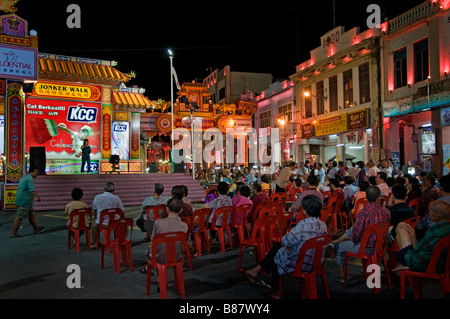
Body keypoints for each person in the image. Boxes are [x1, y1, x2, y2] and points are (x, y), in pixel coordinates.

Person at [241, 195, 328, 299]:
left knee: (278, 252)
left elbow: (284, 242)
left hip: (301, 263)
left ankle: (275, 291)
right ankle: (257, 270)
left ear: (304, 210)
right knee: (278, 249)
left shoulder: (302, 226)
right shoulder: (322, 225)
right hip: (316, 261)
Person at [331, 186, 391, 282]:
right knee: (353, 229)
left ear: (366, 198)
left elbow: (356, 234)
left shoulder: (363, 213)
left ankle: (342, 275)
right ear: (378, 197)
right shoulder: (386, 212)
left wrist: (353, 238)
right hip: (380, 246)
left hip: (365, 247)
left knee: (340, 247)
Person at [393, 200, 450, 273]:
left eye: (430, 211)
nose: (429, 214)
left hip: (425, 263)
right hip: (442, 264)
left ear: (438, 215)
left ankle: (406, 269)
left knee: (399, 254)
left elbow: (418, 249)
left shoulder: (434, 231)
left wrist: (412, 236)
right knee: (402, 227)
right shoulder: (446, 228)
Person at [139, 198, 189, 274]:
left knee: (155, 248)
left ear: (167, 209)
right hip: (176, 257)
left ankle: (158, 278)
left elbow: (153, 240)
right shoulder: (184, 226)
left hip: (159, 257)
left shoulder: (158, 222)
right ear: (181, 210)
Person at [10, 167, 44, 238]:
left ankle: (36, 228)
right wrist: (37, 197)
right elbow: (32, 190)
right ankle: (13, 233)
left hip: (24, 201)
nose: (37, 174)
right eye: (36, 171)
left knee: (31, 213)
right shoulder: (29, 178)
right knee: (19, 217)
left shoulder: (25, 177)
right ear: (31, 172)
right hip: (24, 201)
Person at [92, 182, 124, 246]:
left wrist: (97, 218)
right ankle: (121, 240)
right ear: (113, 190)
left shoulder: (97, 197)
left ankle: (95, 243)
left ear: (104, 189)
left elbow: (95, 211)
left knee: (94, 227)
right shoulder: (116, 198)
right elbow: (121, 211)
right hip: (114, 222)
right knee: (123, 224)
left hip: (101, 223)